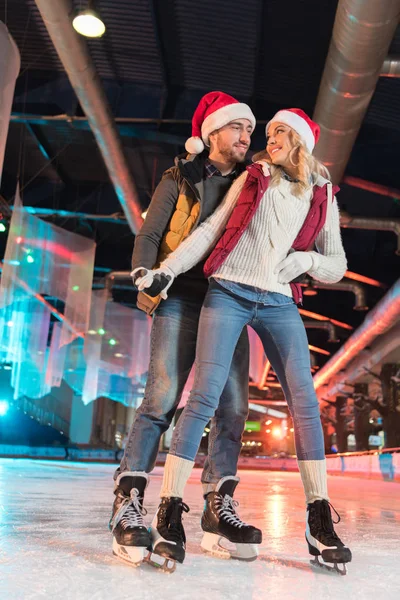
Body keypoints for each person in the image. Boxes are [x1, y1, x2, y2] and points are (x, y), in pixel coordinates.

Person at [138, 108, 352, 573]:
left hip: (278, 301)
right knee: (205, 396)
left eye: (278, 132)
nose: (268, 138)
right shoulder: (254, 176)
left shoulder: (322, 191)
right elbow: (210, 230)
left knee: (305, 402)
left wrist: (305, 263)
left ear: (299, 140)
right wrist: (165, 270)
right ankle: (170, 509)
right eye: (266, 132)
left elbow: (336, 263)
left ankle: (319, 519)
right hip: (229, 290)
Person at [109, 91, 262, 568]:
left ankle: (219, 506)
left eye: (250, 131)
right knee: (163, 396)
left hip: (230, 301)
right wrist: (142, 272)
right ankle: (129, 502)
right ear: (212, 133)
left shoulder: (254, 184)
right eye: (237, 128)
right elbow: (151, 235)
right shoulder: (180, 177)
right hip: (178, 296)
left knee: (234, 403)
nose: (246, 137)